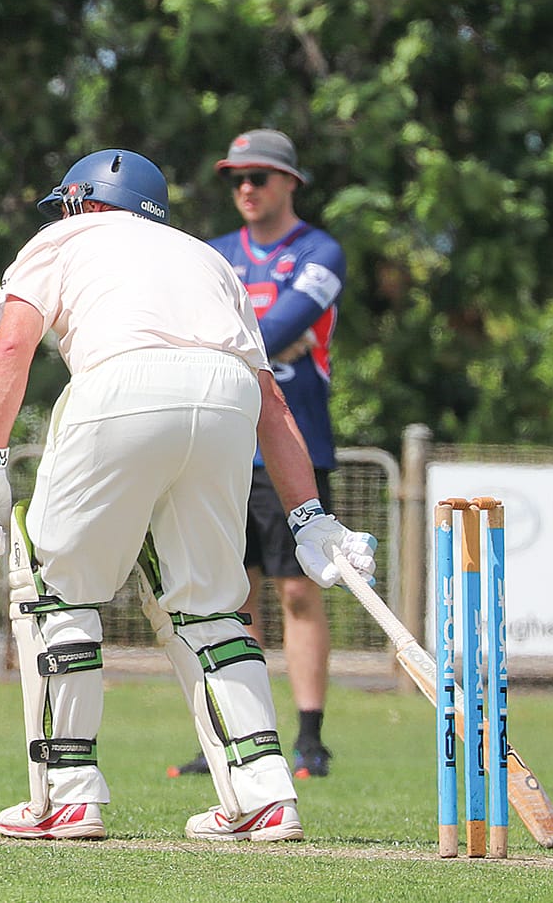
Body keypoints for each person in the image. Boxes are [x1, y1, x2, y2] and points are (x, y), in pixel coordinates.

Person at [0, 148, 375, 843]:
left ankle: (67, 794)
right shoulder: (207, 259)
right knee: (210, 604)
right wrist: (309, 516)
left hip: (121, 384)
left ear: (86, 201)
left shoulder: (62, 238)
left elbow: (11, 348)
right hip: (226, 399)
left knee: (55, 584)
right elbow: (271, 400)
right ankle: (264, 795)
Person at [169, 128, 347, 781]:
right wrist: (249, 345)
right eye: (235, 177)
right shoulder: (212, 254)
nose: (245, 188)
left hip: (295, 445)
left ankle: (310, 739)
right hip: (220, 443)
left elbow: (279, 328)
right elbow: (189, 331)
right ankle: (234, 729)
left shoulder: (320, 251)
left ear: (290, 183)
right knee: (226, 593)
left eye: (259, 176)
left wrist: (240, 342)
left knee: (297, 589)